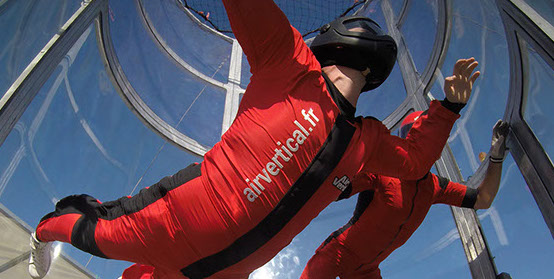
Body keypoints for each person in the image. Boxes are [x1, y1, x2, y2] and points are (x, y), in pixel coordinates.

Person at [28, 0, 479, 278]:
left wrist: (447, 109)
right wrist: (445, 111)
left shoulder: (368, 142)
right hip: (176, 223)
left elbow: (417, 161)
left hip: (231, 270)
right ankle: (42, 231)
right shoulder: (290, 63)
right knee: (90, 231)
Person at [299, 117, 509, 279]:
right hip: (337, 254)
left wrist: (496, 158)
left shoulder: (436, 187)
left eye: (431, 141)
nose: (424, 149)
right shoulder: (382, 170)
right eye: (416, 140)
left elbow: (483, 199)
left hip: (367, 272)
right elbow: (337, 189)